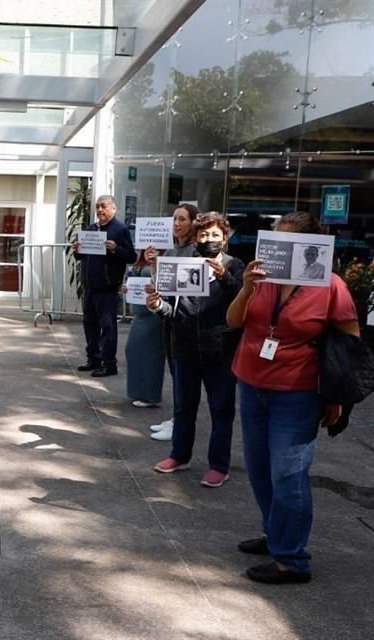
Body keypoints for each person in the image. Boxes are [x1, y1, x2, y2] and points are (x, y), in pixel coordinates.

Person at [227, 211, 358, 584]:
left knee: (289, 474)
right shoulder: (261, 277)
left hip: (298, 393)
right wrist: (247, 288)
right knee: (259, 470)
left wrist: (337, 398)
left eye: (286, 242)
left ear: (310, 247)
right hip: (252, 384)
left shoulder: (331, 285)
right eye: (275, 239)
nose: (277, 248)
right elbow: (235, 321)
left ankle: (291, 560)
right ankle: (276, 535)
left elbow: (349, 342)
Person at [146, 212, 245, 488]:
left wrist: (224, 276)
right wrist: (156, 305)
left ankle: (218, 465)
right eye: (203, 235)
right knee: (183, 407)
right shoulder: (183, 265)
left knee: (221, 410)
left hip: (221, 352)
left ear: (224, 239)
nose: (208, 239)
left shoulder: (235, 266)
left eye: (215, 235)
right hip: (185, 349)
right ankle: (179, 455)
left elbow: (244, 301)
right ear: (196, 238)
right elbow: (171, 311)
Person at [145, 203, 200, 441]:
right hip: (169, 316)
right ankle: (177, 418)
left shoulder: (195, 252)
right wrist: (154, 267)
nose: (176, 224)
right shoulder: (171, 251)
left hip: (187, 319)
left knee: (183, 374)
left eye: (182, 219)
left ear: (193, 222)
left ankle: (181, 422)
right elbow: (164, 286)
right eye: (174, 219)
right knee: (174, 370)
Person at [72, 195, 136, 377]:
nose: (100, 210)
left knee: (108, 327)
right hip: (90, 286)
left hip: (107, 287)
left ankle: (109, 364)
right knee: (89, 325)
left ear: (113, 209)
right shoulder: (91, 229)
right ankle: (93, 359)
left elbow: (131, 256)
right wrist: (77, 251)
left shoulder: (120, 229)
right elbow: (82, 257)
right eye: (98, 207)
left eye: (104, 206)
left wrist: (116, 248)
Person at [124, 251, 165, 408]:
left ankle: (150, 395)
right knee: (133, 350)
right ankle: (138, 391)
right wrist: (126, 289)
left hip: (152, 315)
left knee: (152, 354)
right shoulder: (140, 262)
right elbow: (132, 282)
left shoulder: (163, 261)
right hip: (139, 314)